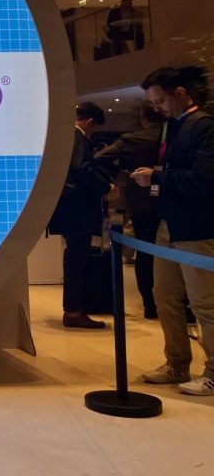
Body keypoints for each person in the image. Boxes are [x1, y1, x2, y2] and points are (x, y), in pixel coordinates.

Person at [132, 67, 214, 395]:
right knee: (164, 296)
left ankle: (213, 371)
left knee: (204, 303)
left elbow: (205, 179)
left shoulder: (203, 126)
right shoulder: (172, 125)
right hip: (168, 224)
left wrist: (157, 177)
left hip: (197, 228)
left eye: (160, 101)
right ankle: (177, 364)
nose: (157, 108)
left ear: (180, 93)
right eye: (153, 103)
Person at [47, 102, 114, 329]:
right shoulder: (78, 138)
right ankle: (74, 312)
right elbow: (81, 167)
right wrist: (106, 186)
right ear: (90, 122)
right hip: (77, 209)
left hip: (68, 208)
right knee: (77, 259)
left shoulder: (64, 138)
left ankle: (73, 310)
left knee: (74, 257)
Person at [95, 105, 163, 319]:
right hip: (173, 201)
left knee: (145, 253)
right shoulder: (170, 136)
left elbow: (99, 157)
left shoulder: (132, 140)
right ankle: (177, 305)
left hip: (141, 202)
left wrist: (122, 173)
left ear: (143, 118)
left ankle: (150, 304)